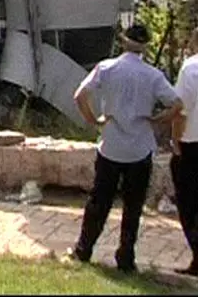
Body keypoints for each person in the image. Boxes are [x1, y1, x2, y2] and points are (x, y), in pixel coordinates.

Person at [67, 23, 184, 273]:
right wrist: (158, 119)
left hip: (111, 145)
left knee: (99, 201)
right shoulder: (153, 75)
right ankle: (126, 257)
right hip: (140, 147)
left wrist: (94, 119)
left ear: (123, 41)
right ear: (145, 46)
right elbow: (176, 104)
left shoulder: (107, 68)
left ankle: (84, 249)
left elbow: (79, 95)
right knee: (133, 207)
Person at [171, 28, 198, 276]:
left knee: (189, 201)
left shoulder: (191, 68)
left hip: (193, 144)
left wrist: (175, 140)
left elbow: (180, 109)